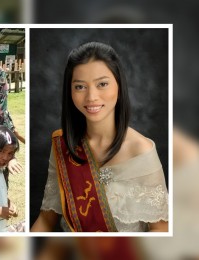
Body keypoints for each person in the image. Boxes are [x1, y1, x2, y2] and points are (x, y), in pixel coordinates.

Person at [31, 42, 168, 232]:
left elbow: (160, 229)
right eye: (80, 87)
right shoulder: (64, 145)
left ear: (119, 85)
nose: (91, 97)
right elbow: (46, 219)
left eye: (102, 84)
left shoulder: (141, 150)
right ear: (69, 91)